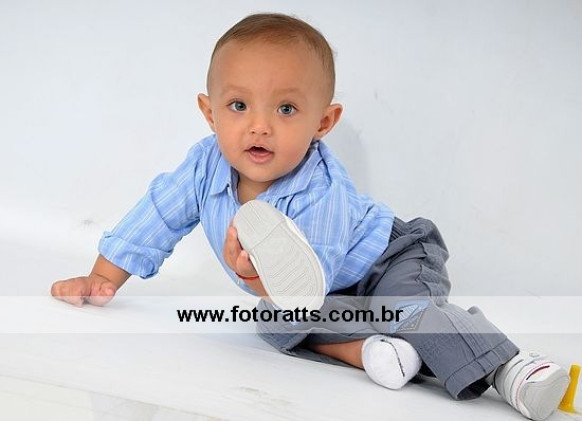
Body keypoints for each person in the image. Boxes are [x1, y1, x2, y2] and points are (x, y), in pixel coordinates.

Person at [51, 13, 569, 420]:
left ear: (324, 121)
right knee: (269, 319)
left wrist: (260, 277)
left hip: (389, 259)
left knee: (403, 308)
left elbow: (305, 283)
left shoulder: (321, 187)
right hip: (316, 294)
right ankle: (368, 351)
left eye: (285, 109)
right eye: (238, 106)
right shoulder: (204, 166)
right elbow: (157, 215)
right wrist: (102, 276)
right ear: (209, 112)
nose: (259, 126)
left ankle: (508, 367)